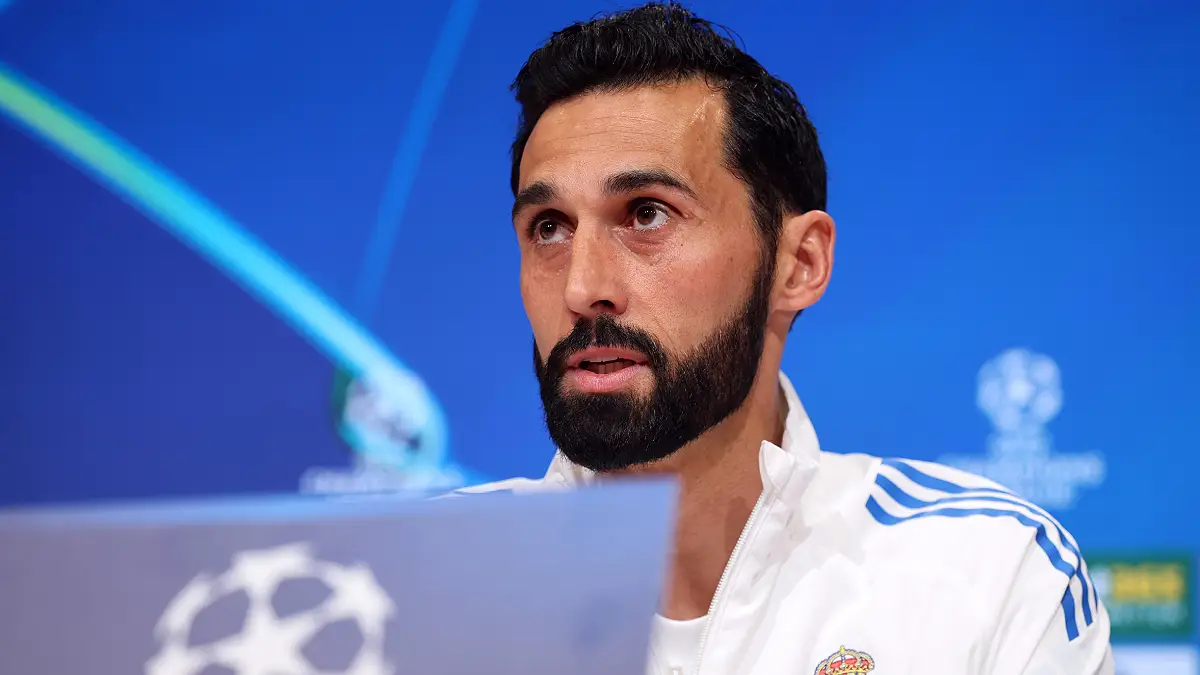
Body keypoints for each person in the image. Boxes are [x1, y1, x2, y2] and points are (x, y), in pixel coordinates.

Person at [459, 3, 1115, 674]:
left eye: (646, 214)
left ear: (798, 264)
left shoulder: (987, 572)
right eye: (549, 227)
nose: (580, 286)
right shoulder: (425, 579)